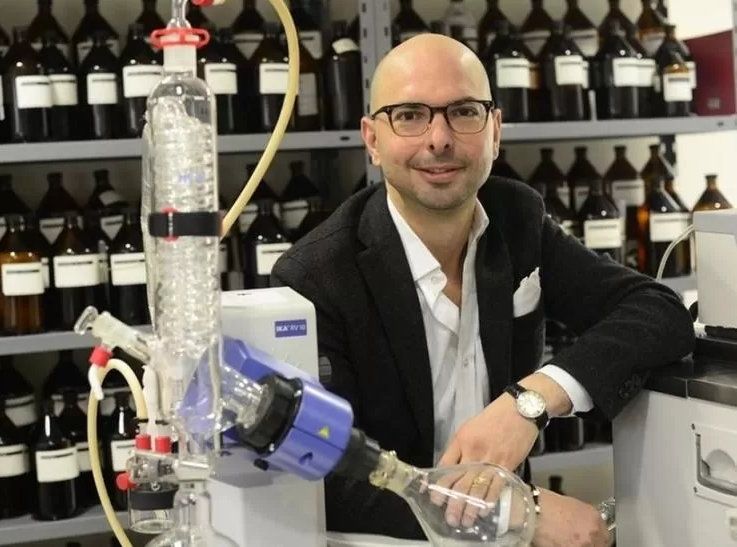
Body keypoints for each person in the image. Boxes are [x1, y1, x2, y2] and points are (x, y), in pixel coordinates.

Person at [271, 34, 694, 545]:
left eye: (464, 112)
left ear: (495, 130)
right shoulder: (317, 277)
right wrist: (520, 512)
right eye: (409, 115)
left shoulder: (518, 222)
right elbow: (325, 476)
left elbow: (657, 310)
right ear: (372, 139)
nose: (439, 139)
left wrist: (531, 400)